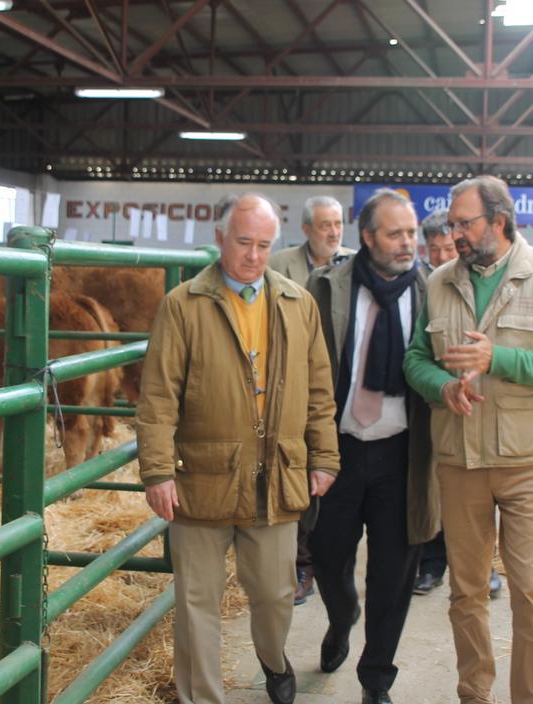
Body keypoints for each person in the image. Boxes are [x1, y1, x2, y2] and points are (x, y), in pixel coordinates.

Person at [136, 193, 340, 704]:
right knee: (197, 600)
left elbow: (320, 390)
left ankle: (273, 658)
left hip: (275, 476)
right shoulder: (183, 305)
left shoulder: (298, 303)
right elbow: (158, 395)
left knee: (274, 595)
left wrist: (325, 456)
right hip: (201, 478)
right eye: (244, 242)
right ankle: (201, 697)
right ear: (220, 238)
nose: (253, 255)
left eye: (264, 244)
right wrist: (157, 471)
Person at [403, 176, 533, 704]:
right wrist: (441, 386)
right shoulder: (439, 282)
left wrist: (497, 359)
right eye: (453, 224)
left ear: (498, 223)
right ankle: (474, 694)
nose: (454, 233)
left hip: (531, 458)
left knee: (531, 590)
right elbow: (414, 359)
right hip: (461, 456)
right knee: (466, 591)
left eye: (465, 223)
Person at [306, 189, 437, 704]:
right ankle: (342, 618)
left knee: (394, 572)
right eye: (395, 234)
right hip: (337, 451)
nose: (408, 243)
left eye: (412, 233)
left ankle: (375, 678)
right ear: (367, 238)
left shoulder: (431, 291)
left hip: (403, 455)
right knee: (325, 554)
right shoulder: (327, 288)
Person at [268, 194, 355, 605]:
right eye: (325, 225)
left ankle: (331, 561)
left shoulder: (358, 265)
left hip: (344, 385)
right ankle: (301, 565)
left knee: (336, 474)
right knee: (298, 471)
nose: (334, 232)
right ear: (306, 229)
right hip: (294, 384)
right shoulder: (278, 265)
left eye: (338, 223)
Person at [412, 211, 502, 601]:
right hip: (430, 400)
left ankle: (486, 565)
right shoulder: (421, 283)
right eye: (434, 249)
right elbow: (414, 354)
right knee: (433, 485)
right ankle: (431, 562)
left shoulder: (479, 281)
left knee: (481, 490)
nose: (441, 254)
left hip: (481, 402)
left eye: (447, 247)